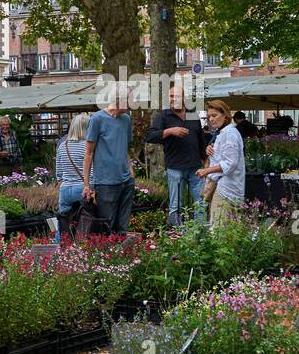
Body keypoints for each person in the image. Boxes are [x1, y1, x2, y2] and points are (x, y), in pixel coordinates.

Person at [145, 85, 208, 226]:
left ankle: (201, 236)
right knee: (176, 206)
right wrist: (170, 131)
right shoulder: (164, 115)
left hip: (195, 168)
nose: (173, 99)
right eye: (171, 96)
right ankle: (177, 236)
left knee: (201, 203)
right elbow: (150, 136)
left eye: (177, 96)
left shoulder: (193, 113)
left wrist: (206, 161)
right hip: (175, 168)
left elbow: (200, 139)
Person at [83, 91, 135, 234]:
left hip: (126, 181)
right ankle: (108, 255)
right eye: (131, 100)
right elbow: (88, 153)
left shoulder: (126, 120)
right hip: (105, 183)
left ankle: (123, 255)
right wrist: (87, 185)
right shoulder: (97, 119)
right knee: (107, 227)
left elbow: (125, 147)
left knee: (123, 227)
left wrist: (131, 172)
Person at [198, 100, 245, 224]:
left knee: (217, 228)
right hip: (224, 186)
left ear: (225, 116)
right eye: (209, 116)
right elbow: (222, 157)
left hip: (227, 189)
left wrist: (206, 170)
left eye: (214, 115)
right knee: (227, 229)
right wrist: (211, 151)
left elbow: (230, 164)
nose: (211, 119)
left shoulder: (230, 133)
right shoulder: (222, 132)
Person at [54, 113, 91, 242]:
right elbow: (92, 171)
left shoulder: (62, 146)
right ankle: (83, 247)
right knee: (86, 222)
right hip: (82, 188)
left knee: (63, 222)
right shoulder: (88, 147)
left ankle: (61, 247)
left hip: (65, 189)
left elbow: (58, 172)